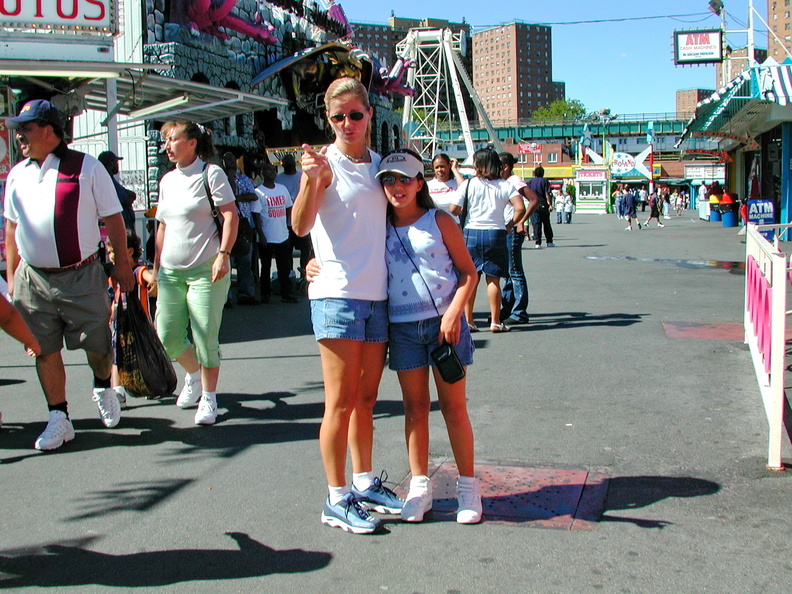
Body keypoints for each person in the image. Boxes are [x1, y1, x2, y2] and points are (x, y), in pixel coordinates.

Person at [292, 77, 403, 534]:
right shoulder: (322, 164)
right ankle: (336, 498)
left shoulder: (381, 166)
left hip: (376, 296)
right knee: (338, 402)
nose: (347, 123)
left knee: (366, 399)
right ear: (328, 118)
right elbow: (300, 226)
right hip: (336, 294)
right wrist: (312, 181)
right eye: (338, 117)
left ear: (369, 115)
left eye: (355, 114)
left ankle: (362, 482)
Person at [3, 99, 135, 450]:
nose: (20, 137)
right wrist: (14, 276)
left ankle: (102, 385)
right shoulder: (18, 174)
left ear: (49, 131)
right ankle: (58, 417)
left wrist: (122, 264)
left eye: (26, 129)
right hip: (34, 279)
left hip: (82, 275)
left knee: (97, 344)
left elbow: (114, 218)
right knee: (43, 348)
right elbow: (11, 229)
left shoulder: (87, 167)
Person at [377, 149, 482, 524]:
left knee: (454, 409)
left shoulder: (439, 220)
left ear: (420, 182)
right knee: (415, 410)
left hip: (444, 327)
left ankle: (468, 489)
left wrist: (455, 312)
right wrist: (313, 264)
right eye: (389, 179)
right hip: (402, 329)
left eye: (406, 178)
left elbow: (468, 273)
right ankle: (420, 489)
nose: (397, 187)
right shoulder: (380, 224)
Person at [154, 120, 238, 426]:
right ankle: (192, 374)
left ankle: (209, 397)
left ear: (192, 143)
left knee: (205, 335)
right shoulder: (167, 181)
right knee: (166, 333)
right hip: (171, 273)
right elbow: (162, 226)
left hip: (206, 270)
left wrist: (223, 255)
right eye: (166, 141)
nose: (168, 146)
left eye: (174, 139)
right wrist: (155, 267)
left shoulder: (210, 174)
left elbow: (230, 215)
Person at [448, 148, 525, 333]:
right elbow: (520, 208)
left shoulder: (468, 184)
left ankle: (469, 321)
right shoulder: (505, 185)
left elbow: (453, 208)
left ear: (477, 165)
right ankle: (496, 321)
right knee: (494, 280)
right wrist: (508, 225)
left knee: (470, 277)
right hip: (496, 233)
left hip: (472, 232)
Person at [107, 230, 156, 408]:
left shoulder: (138, 270)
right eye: (110, 252)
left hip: (142, 324)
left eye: (115, 251)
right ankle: (118, 391)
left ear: (129, 251)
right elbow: (114, 297)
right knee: (117, 356)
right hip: (121, 323)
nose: (111, 256)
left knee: (145, 355)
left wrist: (154, 279)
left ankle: (150, 383)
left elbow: (149, 278)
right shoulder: (114, 274)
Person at [499, 152, 539, 326]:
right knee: (508, 272)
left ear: (506, 167)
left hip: (513, 230)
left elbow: (534, 200)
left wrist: (521, 221)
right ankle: (508, 309)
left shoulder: (515, 181)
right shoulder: (504, 182)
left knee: (515, 271)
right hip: (505, 230)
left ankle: (519, 312)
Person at [220, 152, 260, 306]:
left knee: (245, 261)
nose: (229, 162)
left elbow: (253, 196)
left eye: (232, 159)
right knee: (226, 262)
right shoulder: (220, 179)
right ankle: (226, 296)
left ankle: (246, 294)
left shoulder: (243, 179)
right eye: (226, 160)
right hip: (225, 226)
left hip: (243, 225)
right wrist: (229, 178)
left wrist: (235, 199)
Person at [254, 162, 298, 304]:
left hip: (282, 235)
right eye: (268, 170)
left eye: (273, 170)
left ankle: (286, 293)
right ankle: (265, 293)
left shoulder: (282, 189)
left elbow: (288, 207)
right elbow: (256, 215)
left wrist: (286, 224)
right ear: (263, 174)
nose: (272, 173)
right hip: (267, 236)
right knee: (266, 267)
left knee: (284, 266)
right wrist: (261, 235)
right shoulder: (259, 192)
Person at [278, 153, 312, 279]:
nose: (288, 161)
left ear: (295, 162)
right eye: (285, 160)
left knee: (305, 250)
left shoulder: (302, 176)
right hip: (286, 223)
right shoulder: (278, 179)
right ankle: (290, 274)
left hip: (303, 219)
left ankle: (304, 273)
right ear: (282, 164)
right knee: (287, 252)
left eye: (290, 159)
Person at [98, 150, 137, 233]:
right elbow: (126, 199)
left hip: (126, 225)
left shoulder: (111, 180)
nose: (117, 165)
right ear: (110, 164)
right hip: (119, 227)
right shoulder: (105, 181)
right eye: (116, 163)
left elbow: (132, 195)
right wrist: (129, 196)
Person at [426, 153, 465, 222]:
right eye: (437, 167)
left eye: (442, 166)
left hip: (454, 224)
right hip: (433, 225)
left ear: (449, 166)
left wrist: (454, 169)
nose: (439, 170)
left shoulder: (455, 183)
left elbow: (465, 187)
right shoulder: (428, 185)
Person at [527, 166, 554, 248]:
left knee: (536, 224)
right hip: (543, 204)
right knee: (546, 223)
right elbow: (547, 193)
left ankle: (537, 242)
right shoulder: (545, 181)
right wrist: (550, 204)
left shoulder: (530, 182)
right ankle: (549, 241)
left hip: (534, 205)